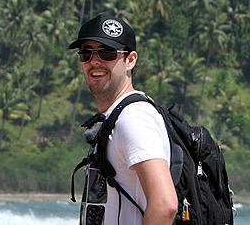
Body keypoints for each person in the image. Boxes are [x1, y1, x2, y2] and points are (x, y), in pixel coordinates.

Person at [71, 14, 177, 225]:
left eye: (107, 53)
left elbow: (165, 205)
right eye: (86, 53)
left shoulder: (133, 118)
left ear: (131, 60)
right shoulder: (117, 116)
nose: (95, 61)